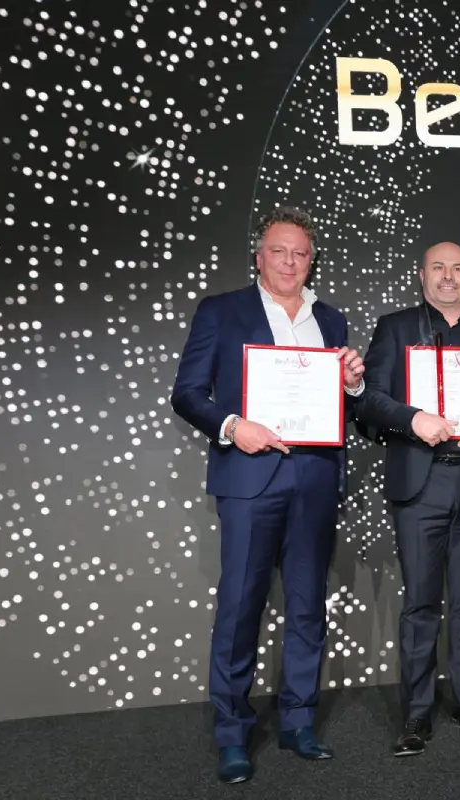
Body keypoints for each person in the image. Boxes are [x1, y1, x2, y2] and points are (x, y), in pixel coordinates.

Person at [170, 206, 367, 783]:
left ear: (312, 261)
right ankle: (232, 733)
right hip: (249, 476)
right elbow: (187, 394)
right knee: (240, 606)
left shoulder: (330, 318)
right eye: (278, 251)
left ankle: (299, 721)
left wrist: (353, 382)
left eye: (300, 253)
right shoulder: (221, 310)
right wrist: (234, 426)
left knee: (307, 605)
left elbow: (341, 400)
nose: (289, 262)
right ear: (259, 257)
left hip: (315, 477)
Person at [354, 241, 460, 757]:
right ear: (421, 275)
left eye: (458, 268)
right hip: (420, 483)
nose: (448, 276)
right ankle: (417, 712)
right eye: (438, 267)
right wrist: (413, 419)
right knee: (421, 603)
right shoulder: (395, 328)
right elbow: (368, 399)